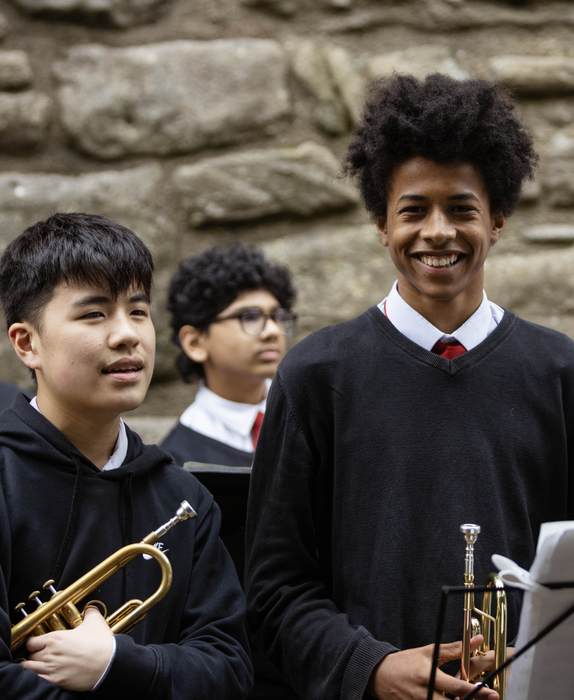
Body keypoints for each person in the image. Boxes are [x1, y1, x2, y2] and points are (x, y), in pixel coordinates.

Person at [245, 73, 574, 700]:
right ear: (379, 222)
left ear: (499, 220)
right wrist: (367, 667)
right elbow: (273, 590)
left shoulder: (560, 372)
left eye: (462, 209)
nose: (438, 232)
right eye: (413, 210)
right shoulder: (315, 376)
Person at [0, 212, 252, 699]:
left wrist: (115, 663)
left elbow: (230, 670)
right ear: (27, 343)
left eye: (138, 311)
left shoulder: (184, 500)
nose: (127, 334)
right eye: (94, 314)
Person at [161, 243, 297, 700]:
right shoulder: (173, 461)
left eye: (279, 316)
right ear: (195, 341)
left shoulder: (307, 426)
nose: (272, 330)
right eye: (248, 317)